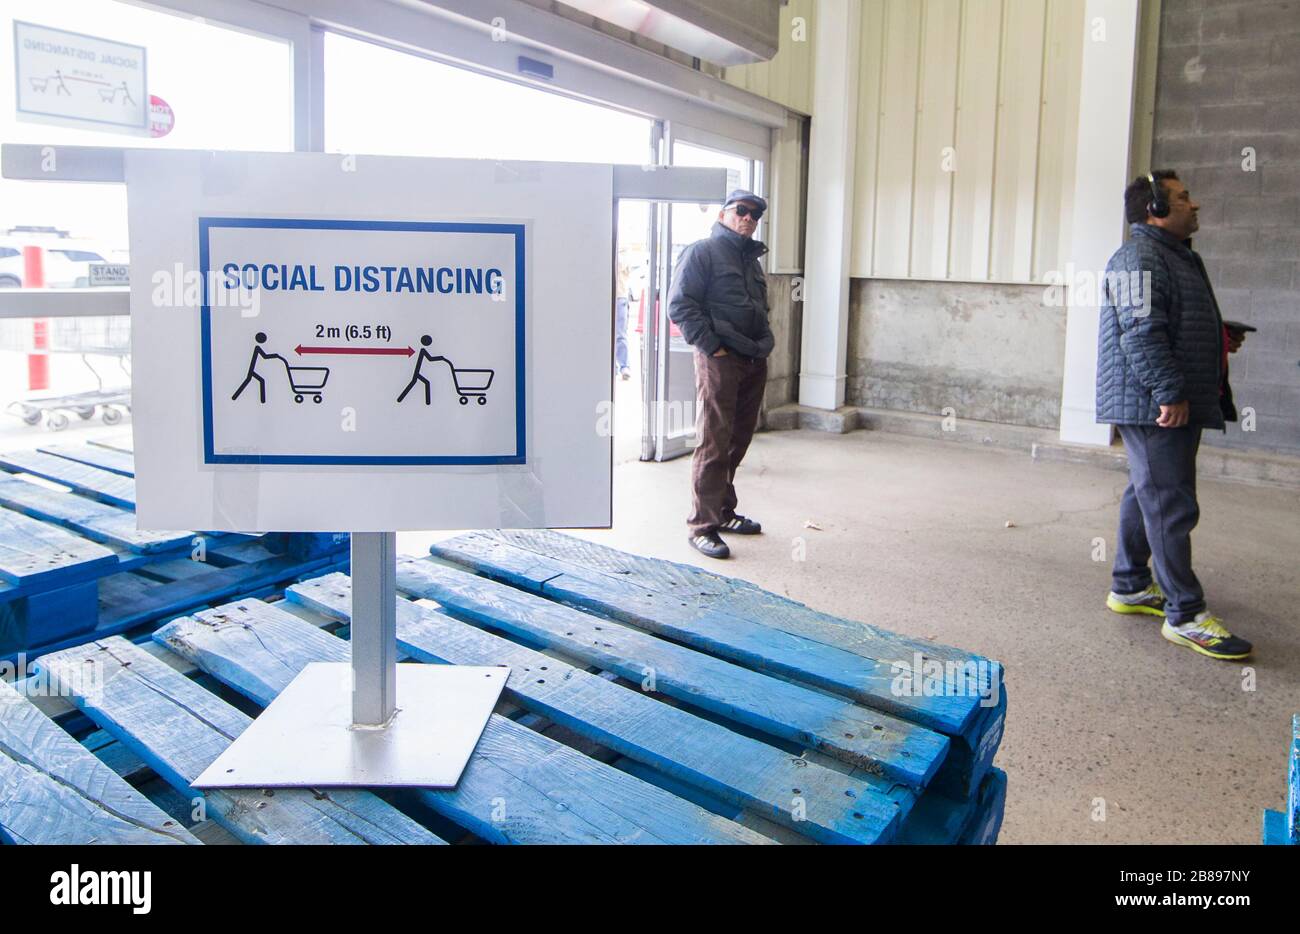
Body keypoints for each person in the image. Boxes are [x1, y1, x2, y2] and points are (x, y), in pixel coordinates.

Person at [1096, 170, 1252, 660]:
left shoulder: (1170, 256)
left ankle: (1131, 585)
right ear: (1156, 208)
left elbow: (1164, 319)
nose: (1195, 204)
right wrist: (1168, 391)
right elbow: (1139, 334)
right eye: (1184, 197)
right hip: (1156, 403)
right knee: (1171, 503)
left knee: (1149, 494)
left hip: (1162, 398)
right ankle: (1186, 615)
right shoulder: (1139, 258)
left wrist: (1215, 331)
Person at [668, 189, 774, 559]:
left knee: (738, 439)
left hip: (752, 358)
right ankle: (702, 525)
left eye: (754, 215)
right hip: (720, 360)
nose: (748, 218)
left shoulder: (750, 260)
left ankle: (724, 512)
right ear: (724, 214)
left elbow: (759, 307)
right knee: (714, 442)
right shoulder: (702, 252)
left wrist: (763, 344)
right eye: (741, 211)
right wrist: (713, 347)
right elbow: (680, 305)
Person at [614, 262, 632, 380]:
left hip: (620, 296)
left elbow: (622, 266)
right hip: (608, 295)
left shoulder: (624, 251)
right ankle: (615, 368)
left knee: (620, 334)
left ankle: (624, 366)